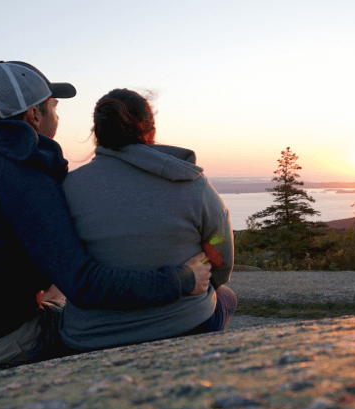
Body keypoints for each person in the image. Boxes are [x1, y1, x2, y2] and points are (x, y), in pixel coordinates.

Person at [0, 62, 211, 367]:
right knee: (76, 316)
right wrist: (181, 279)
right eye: (54, 107)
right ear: (34, 116)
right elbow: (86, 286)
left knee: (55, 292)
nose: (57, 116)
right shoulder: (24, 179)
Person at [59, 88, 236, 351]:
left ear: (96, 134)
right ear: (149, 130)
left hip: (89, 337)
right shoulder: (192, 182)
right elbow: (221, 254)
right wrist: (200, 275)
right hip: (184, 327)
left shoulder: (68, 187)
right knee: (226, 297)